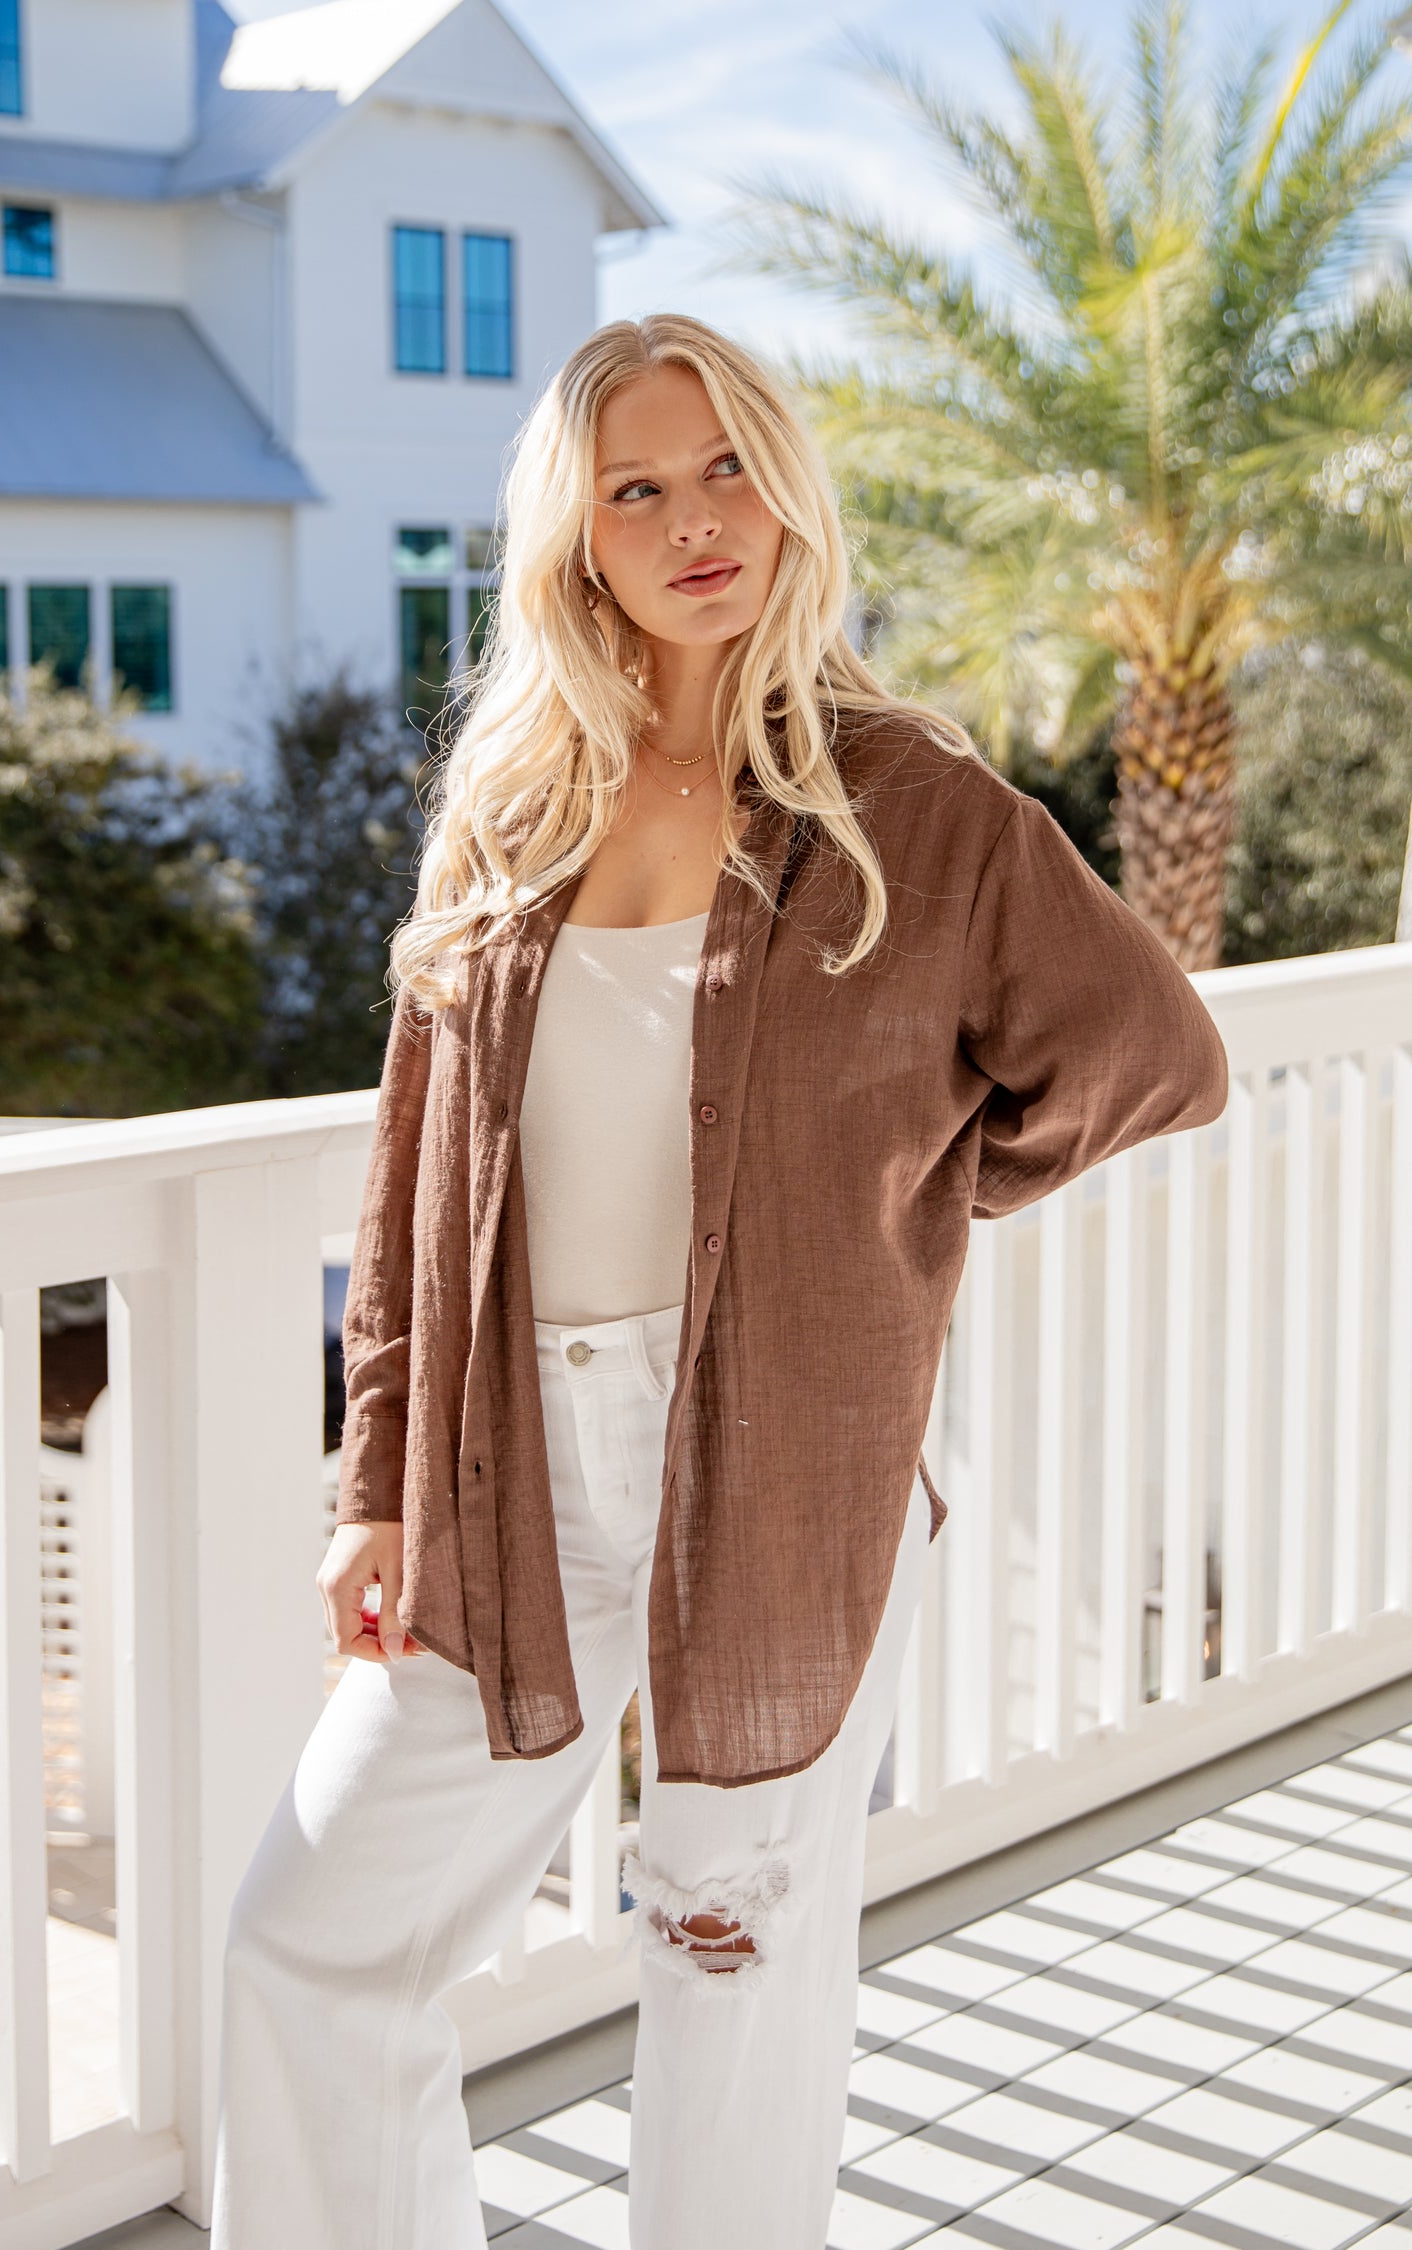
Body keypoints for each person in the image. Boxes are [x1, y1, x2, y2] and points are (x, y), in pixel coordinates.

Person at [211, 313, 1229, 2250]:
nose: (697, 522)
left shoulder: (913, 804)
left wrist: (899, 1207)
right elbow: (418, 1172)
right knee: (306, 1941)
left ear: (787, 488)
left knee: (729, 1979)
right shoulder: (515, 806)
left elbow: (1155, 1049)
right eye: (639, 489)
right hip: (509, 1473)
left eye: (729, 469)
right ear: (576, 538)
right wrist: (370, 1480)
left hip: (783, 1475)